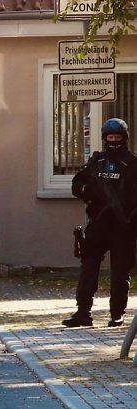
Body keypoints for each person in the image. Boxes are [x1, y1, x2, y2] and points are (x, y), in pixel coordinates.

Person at [63, 118, 137, 328]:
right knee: (88, 267)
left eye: (117, 137)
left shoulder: (132, 163)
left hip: (123, 226)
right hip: (98, 223)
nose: (114, 141)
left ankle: (117, 314)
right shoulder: (97, 161)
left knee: (120, 271)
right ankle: (83, 313)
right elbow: (77, 183)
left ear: (125, 138)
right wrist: (88, 191)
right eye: (110, 137)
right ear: (105, 138)